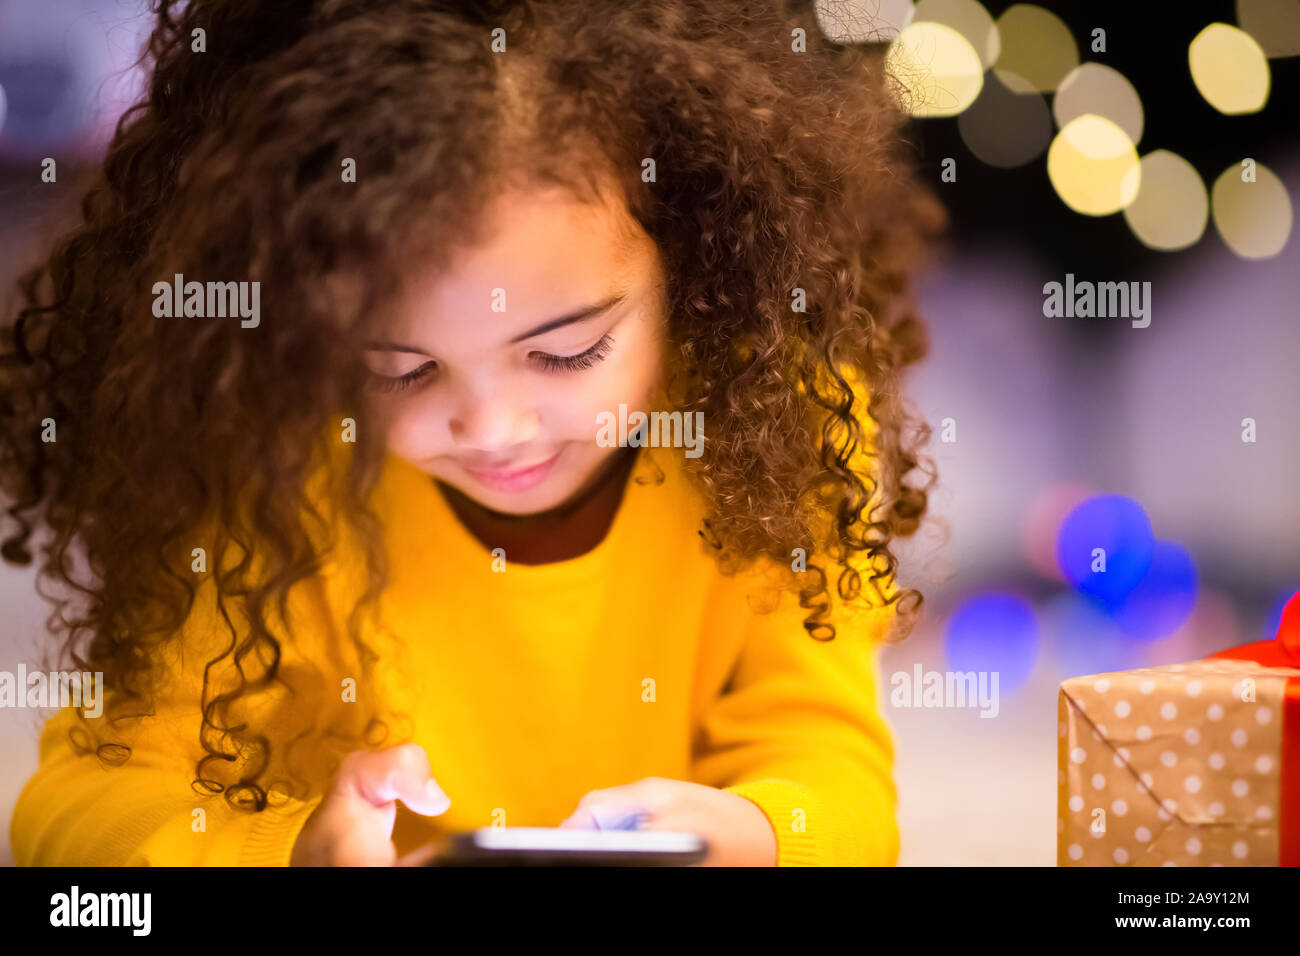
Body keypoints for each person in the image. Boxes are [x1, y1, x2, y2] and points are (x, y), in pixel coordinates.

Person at [2, 0, 944, 866]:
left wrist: (754, 835)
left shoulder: (779, 411)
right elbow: (72, 809)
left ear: (697, 272)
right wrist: (291, 852)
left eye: (567, 351)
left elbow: (832, 763)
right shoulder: (264, 455)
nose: (493, 429)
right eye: (398, 370)